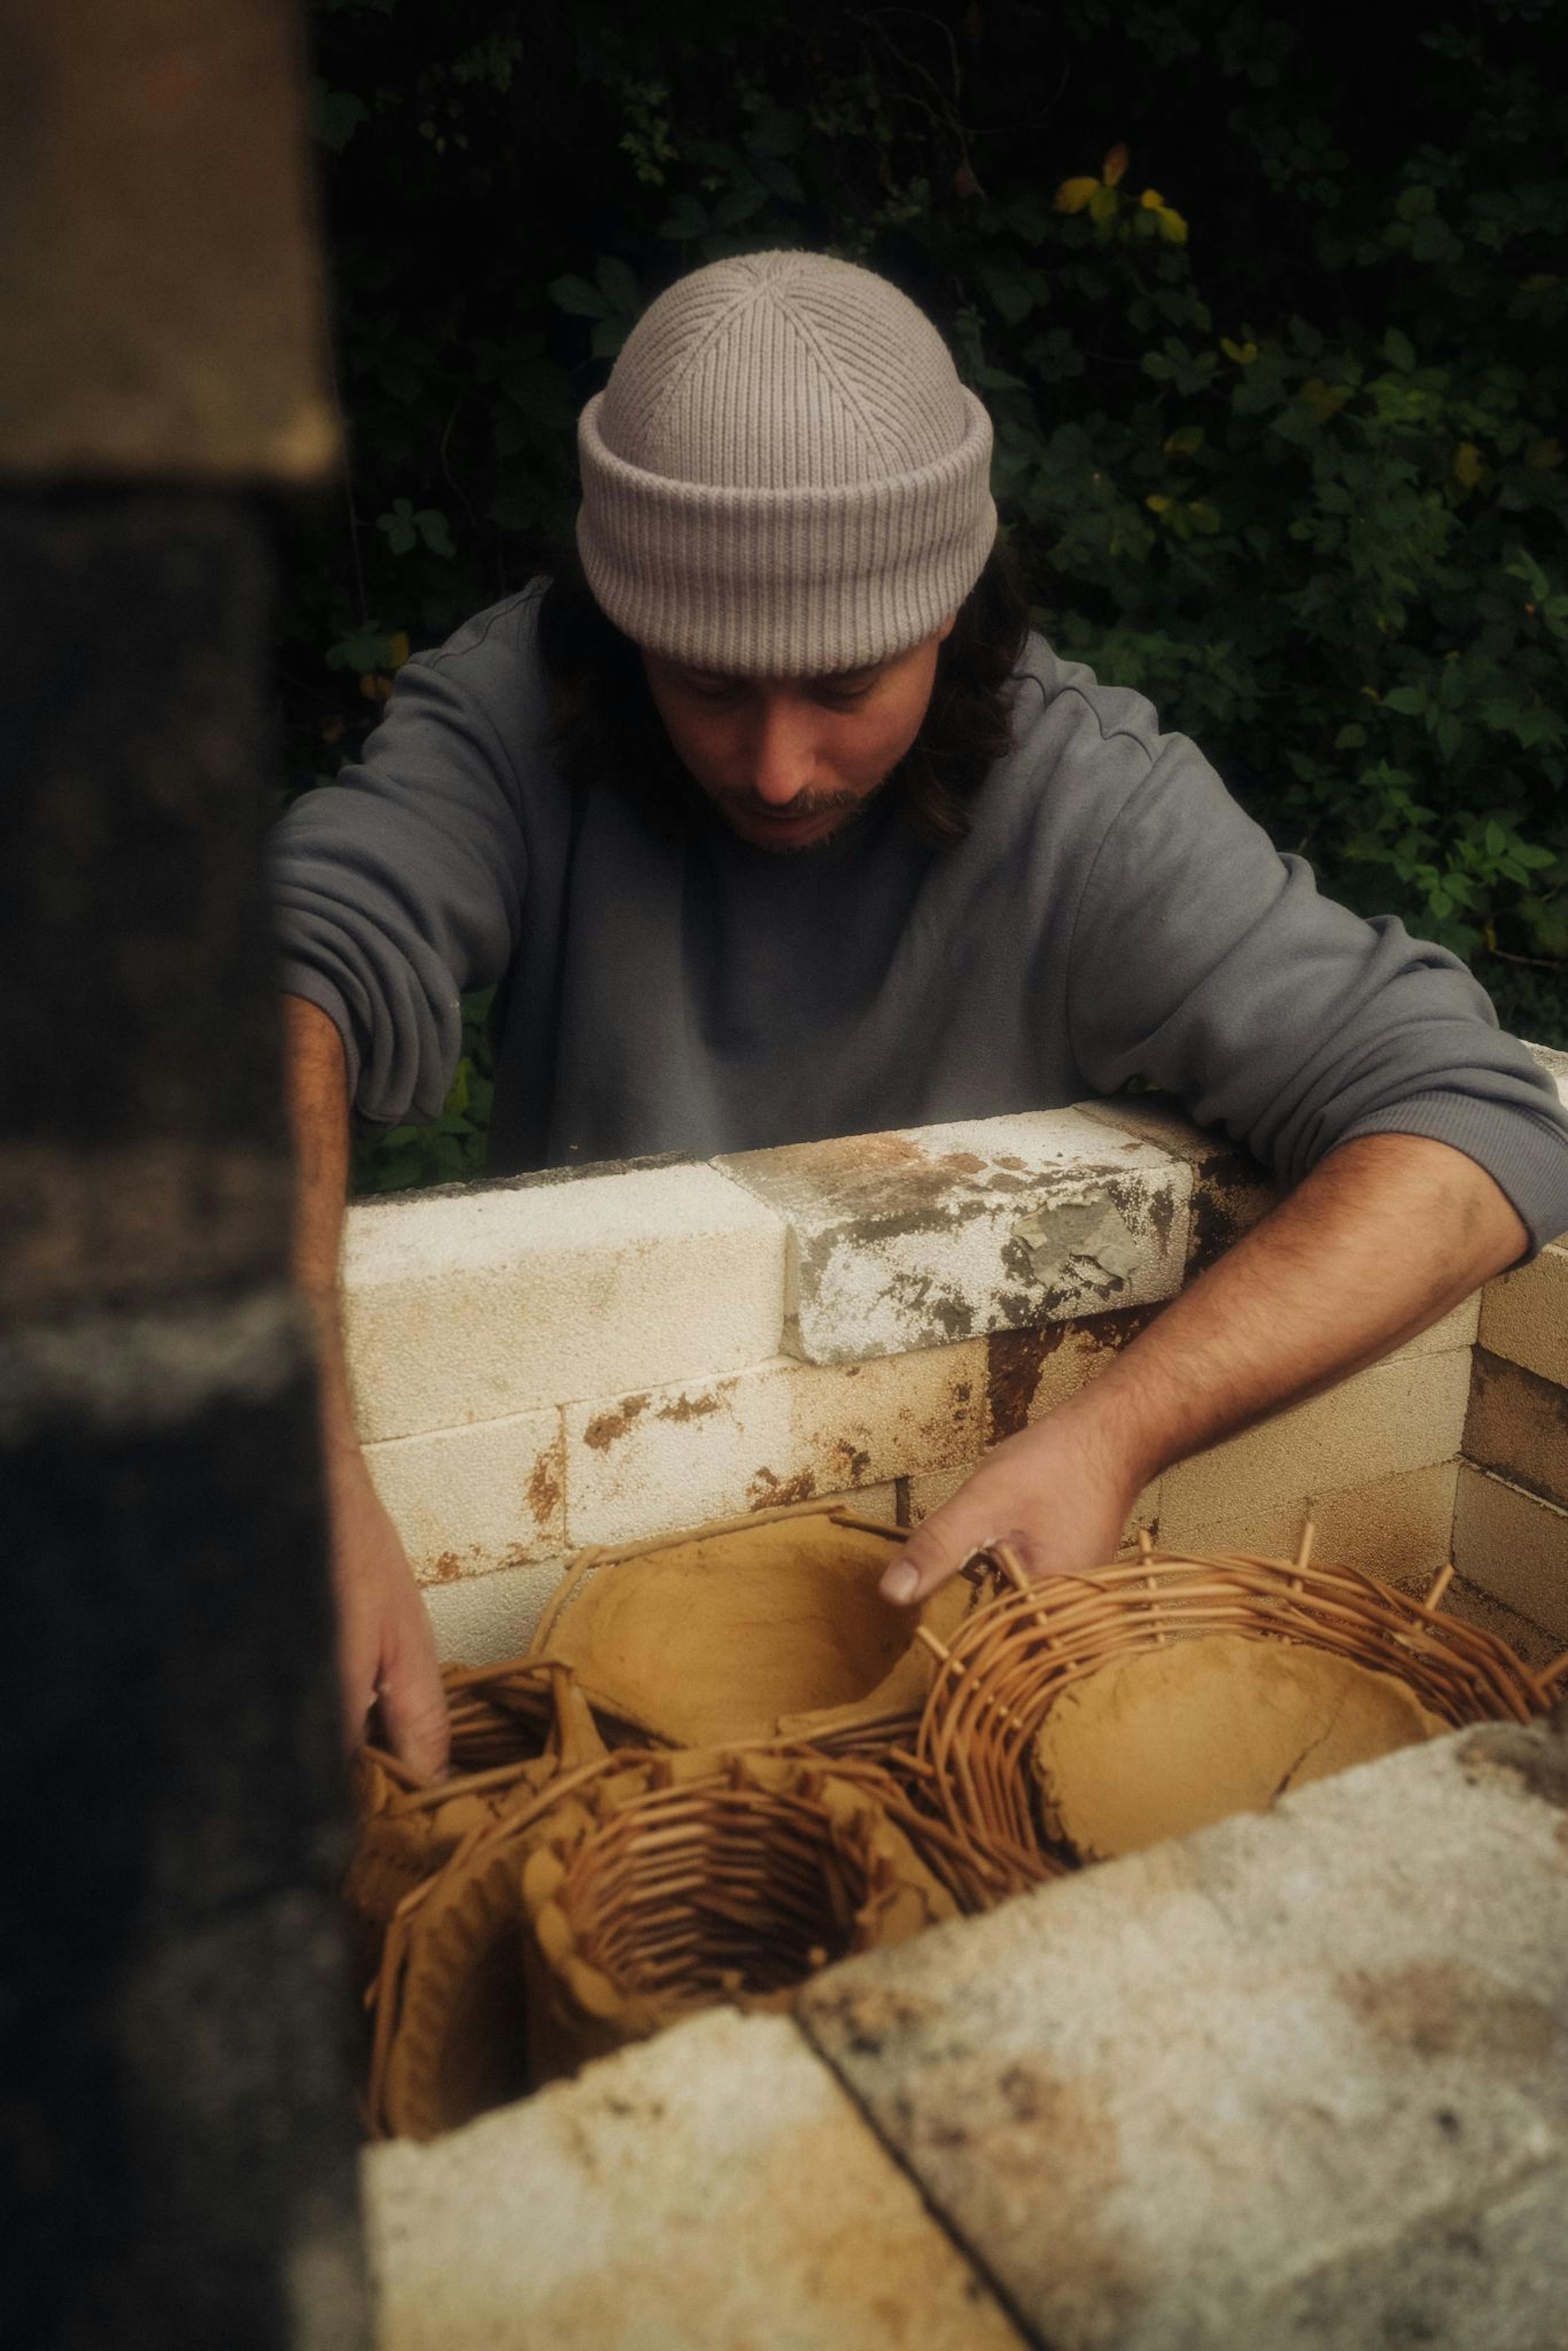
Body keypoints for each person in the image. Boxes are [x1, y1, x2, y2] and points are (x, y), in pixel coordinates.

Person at [270, 249, 1568, 1777]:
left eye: (844, 684)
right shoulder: (515, 709)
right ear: (620, 629)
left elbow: (1477, 1130)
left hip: (945, 1626)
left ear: (953, 613)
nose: (772, 765)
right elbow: (281, 971)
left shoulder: (1093, 812)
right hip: (590, 1605)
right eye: (705, 685)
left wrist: (1113, 1434)